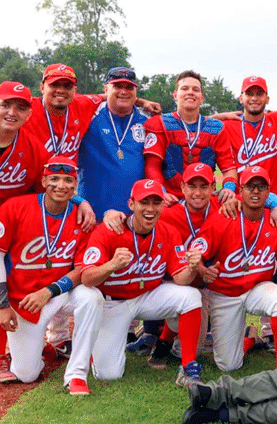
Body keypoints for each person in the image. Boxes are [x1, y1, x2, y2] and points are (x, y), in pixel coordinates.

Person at [80, 179, 204, 386]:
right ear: (131, 204)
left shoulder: (169, 232)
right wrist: (111, 265)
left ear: (163, 206)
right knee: (108, 374)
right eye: (144, 202)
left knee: (191, 296)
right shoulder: (109, 230)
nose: (150, 209)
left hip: (147, 296)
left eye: (156, 203)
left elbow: (181, 279)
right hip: (114, 303)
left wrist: (192, 268)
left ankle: (189, 366)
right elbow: (86, 278)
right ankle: (96, 346)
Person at [0, 156, 102, 395]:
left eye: (68, 180)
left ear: (75, 186)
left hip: (57, 293)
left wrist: (48, 292)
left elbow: (82, 270)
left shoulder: (82, 217)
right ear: (44, 180)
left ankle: (76, 374)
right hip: (24, 300)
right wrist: (2, 304)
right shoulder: (15, 207)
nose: (61, 185)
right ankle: (45, 347)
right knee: (26, 375)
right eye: (54, 179)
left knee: (92, 297)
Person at [190, 166, 277, 370]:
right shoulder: (223, 217)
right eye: (250, 186)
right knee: (228, 366)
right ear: (241, 190)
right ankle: (249, 338)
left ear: (269, 191)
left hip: (257, 288)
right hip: (224, 293)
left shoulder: (276, 221)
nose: (255, 192)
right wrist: (203, 270)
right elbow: (197, 254)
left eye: (261, 186)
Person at [0, 81, 51, 382]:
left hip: (13, 227)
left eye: (20, 107)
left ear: (30, 113)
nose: (11, 112)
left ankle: (12, 350)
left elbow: (42, 190)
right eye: (6, 104)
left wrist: (80, 201)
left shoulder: (32, 147)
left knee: (8, 284)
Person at [143, 70, 237, 203]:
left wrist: (228, 188)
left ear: (202, 97)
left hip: (204, 201)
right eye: (185, 88)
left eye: (196, 89)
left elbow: (229, 169)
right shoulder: (159, 124)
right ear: (175, 95)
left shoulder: (216, 128)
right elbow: (152, 166)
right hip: (171, 200)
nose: (190, 92)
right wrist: (161, 192)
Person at [78, 66, 150, 219]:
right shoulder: (89, 116)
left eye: (129, 87)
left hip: (135, 219)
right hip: (94, 216)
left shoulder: (148, 121)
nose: (124, 92)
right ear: (106, 89)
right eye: (117, 86)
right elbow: (70, 99)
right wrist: (142, 101)